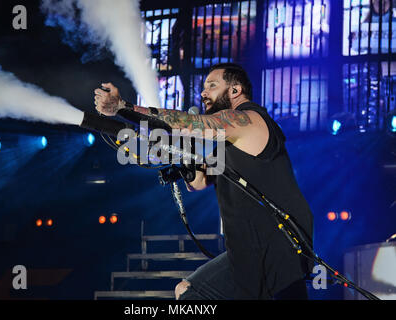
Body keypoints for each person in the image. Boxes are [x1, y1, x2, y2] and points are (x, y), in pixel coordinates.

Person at [94, 63, 314, 300]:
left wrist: (124, 108)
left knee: (195, 294)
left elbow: (190, 124)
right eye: (203, 87)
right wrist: (181, 157)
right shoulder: (225, 140)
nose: (203, 93)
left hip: (275, 245)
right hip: (249, 248)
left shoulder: (246, 119)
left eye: (212, 85)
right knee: (187, 291)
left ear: (235, 90)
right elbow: (198, 182)